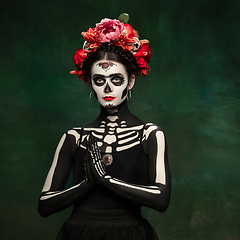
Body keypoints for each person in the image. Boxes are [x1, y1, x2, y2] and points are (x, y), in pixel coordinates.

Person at [38, 14, 171, 240]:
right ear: (91, 84)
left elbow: (161, 199)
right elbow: (45, 205)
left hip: (130, 234)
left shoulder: (149, 134)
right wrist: (86, 185)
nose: (108, 87)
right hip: (78, 234)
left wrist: (107, 181)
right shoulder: (74, 137)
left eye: (116, 79)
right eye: (99, 80)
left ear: (130, 81)